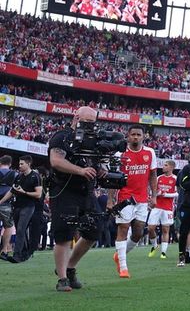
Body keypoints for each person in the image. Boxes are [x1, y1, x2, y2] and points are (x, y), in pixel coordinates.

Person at [49, 106, 104, 292]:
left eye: (92, 123)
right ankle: (63, 278)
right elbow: (56, 161)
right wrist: (80, 170)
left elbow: (96, 164)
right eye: (87, 122)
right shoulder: (62, 137)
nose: (89, 126)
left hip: (85, 191)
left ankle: (69, 267)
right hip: (64, 190)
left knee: (94, 231)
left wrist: (101, 170)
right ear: (76, 117)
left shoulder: (94, 141)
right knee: (64, 235)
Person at [112, 124, 158, 278]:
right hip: (124, 196)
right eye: (133, 134)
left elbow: (152, 175)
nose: (136, 137)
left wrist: (154, 195)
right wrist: (111, 200)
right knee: (123, 228)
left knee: (138, 233)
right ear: (128, 136)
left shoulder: (150, 153)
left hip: (142, 198)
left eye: (139, 135)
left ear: (144, 136)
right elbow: (113, 177)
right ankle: (124, 268)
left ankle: (120, 254)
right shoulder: (120, 153)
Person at [0, 155, 42, 263]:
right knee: (20, 230)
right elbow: (12, 191)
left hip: (29, 206)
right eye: (19, 164)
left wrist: (25, 192)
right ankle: (26, 253)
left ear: (28, 164)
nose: (19, 166)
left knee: (20, 229)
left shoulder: (35, 176)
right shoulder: (19, 177)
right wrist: (1, 201)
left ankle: (17, 255)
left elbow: (38, 194)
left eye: (22, 164)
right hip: (18, 206)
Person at [147, 160, 177, 260]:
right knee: (150, 228)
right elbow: (153, 191)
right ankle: (155, 245)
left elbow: (177, 194)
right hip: (157, 207)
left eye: (165, 165)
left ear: (171, 167)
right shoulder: (159, 178)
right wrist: (155, 194)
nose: (163, 167)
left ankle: (163, 252)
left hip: (168, 208)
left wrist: (166, 194)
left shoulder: (175, 179)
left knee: (165, 229)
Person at [0, 155, 13, 260]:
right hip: (7, 203)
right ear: (10, 164)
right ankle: (4, 250)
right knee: (8, 226)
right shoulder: (14, 174)